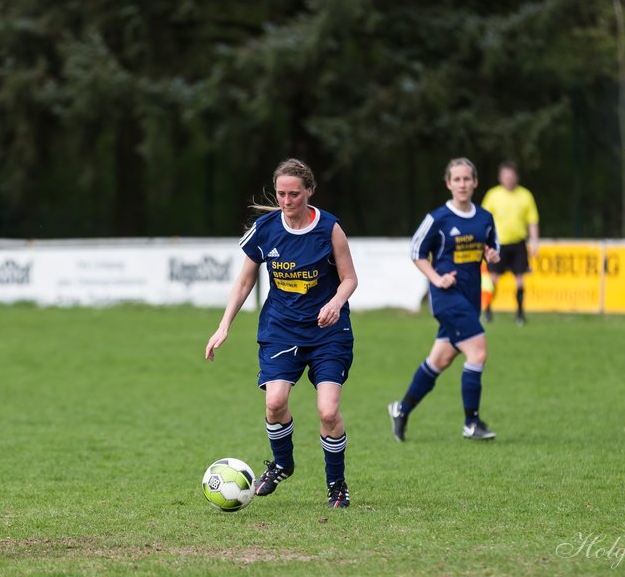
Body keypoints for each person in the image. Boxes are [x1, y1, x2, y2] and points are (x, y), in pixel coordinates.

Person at [205, 159, 359, 508]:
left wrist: (335, 302)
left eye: (294, 194)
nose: (287, 201)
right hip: (281, 328)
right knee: (274, 402)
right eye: (281, 194)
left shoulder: (330, 228)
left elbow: (350, 278)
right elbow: (245, 280)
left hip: (327, 332)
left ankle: (336, 484)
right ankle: (281, 463)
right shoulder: (266, 228)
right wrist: (224, 325)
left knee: (328, 412)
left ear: (309, 192)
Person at [388, 158, 501, 442]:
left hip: (470, 297)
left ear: (475, 182)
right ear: (448, 184)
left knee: (440, 359)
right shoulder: (438, 219)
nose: (462, 184)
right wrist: (437, 279)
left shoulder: (485, 218)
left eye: (467, 179)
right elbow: (416, 251)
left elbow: (493, 247)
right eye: (457, 179)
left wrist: (492, 255)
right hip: (446, 298)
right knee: (478, 352)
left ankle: (401, 409)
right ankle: (471, 423)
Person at [480, 161, 540, 325]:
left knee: (520, 279)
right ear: (500, 178)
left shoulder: (525, 195)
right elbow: (483, 219)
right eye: (505, 176)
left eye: (511, 176)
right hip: (497, 245)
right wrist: (484, 241)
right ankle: (487, 310)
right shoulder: (493, 195)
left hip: (518, 244)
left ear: (516, 177)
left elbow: (532, 221)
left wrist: (535, 242)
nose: (509, 179)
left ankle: (520, 313)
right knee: (493, 279)